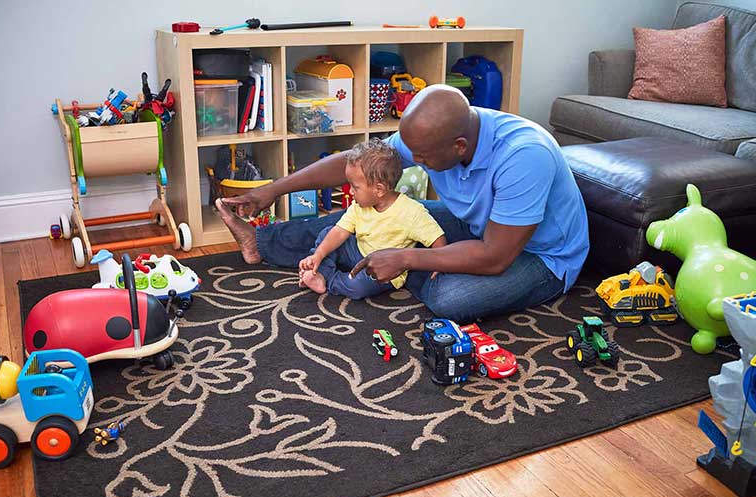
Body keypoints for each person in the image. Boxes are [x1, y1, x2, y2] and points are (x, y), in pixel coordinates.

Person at [215, 85, 589, 323]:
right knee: (362, 212)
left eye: (422, 158)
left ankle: (391, 266)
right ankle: (260, 244)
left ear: (459, 146)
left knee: (451, 298)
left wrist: (405, 256)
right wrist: (274, 189)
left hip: (541, 259)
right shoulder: (433, 137)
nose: (415, 161)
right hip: (476, 227)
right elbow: (359, 166)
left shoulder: (524, 157)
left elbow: (495, 256)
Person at [297, 139, 447, 298]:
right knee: (327, 233)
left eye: (355, 187)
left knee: (358, 287)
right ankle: (319, 271)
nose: (351, 192)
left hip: (384, 270)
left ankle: (329, 281)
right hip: (357, 251)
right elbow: (340, 231)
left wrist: (439, 262)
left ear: (379, 189)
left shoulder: (411, 212)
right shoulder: (358, 205)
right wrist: (318, 255)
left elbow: (436, 237)